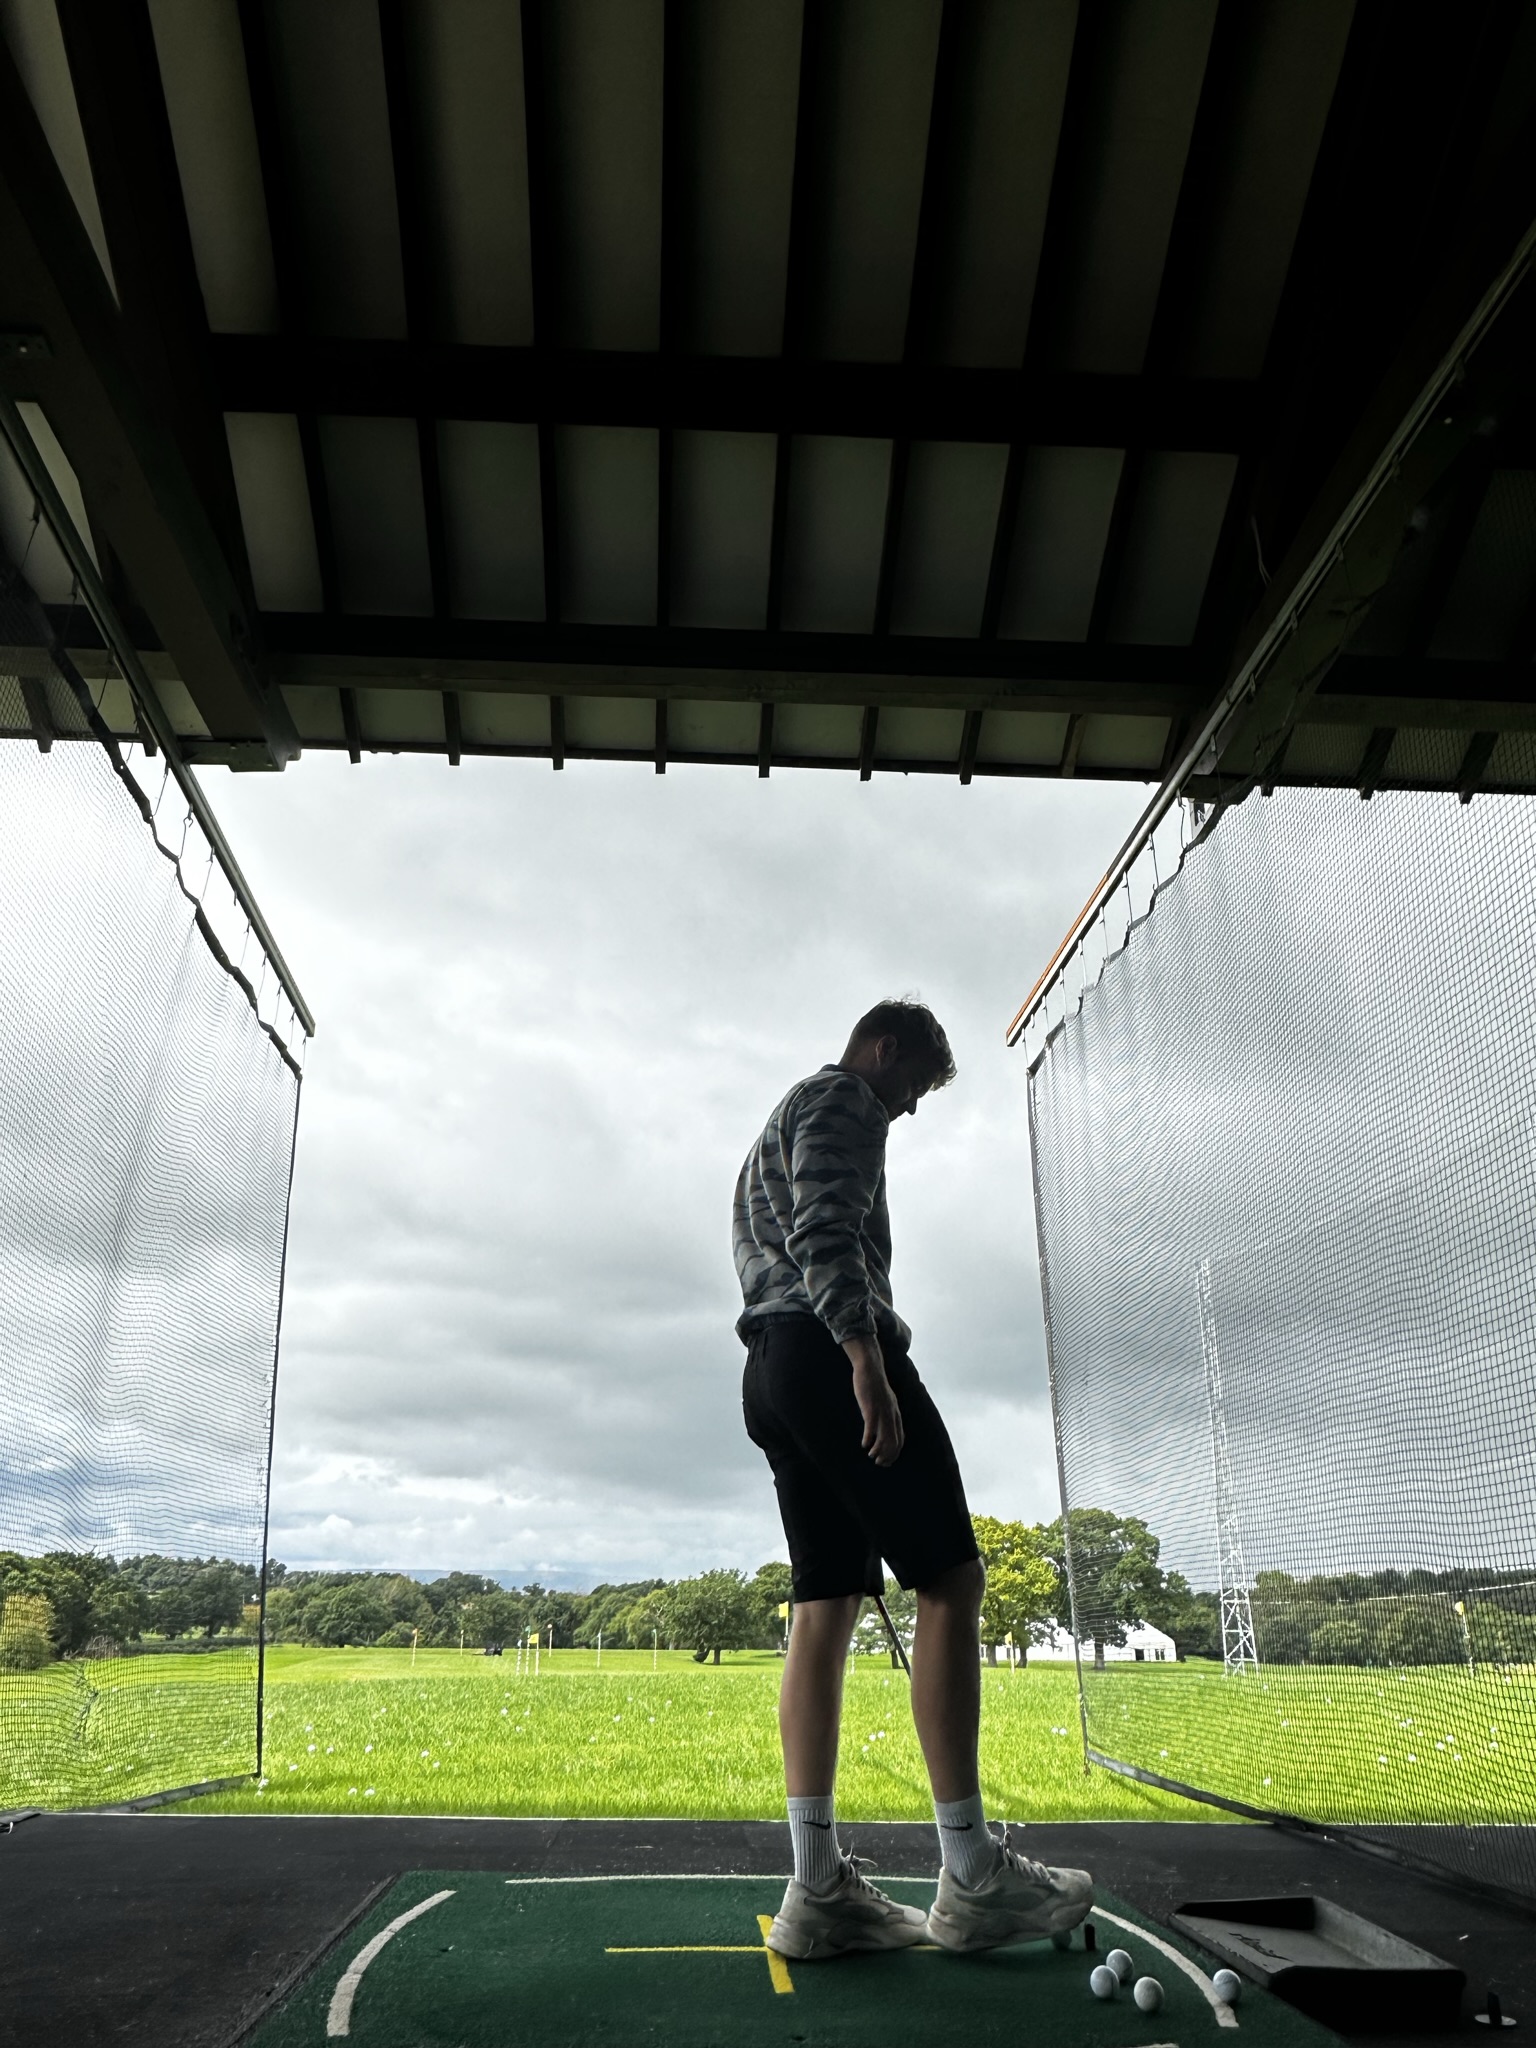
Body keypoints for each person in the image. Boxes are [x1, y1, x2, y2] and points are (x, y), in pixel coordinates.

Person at [733, 999, 1093, 1960]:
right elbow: (824, 1230)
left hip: (769, 1363)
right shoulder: (846, 1099)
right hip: (825, 1350)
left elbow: (787, 1238)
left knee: (826, 1606)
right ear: (884, 1050)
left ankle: (818, 1891)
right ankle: (972, 1874)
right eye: (918, 1085)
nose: (913, 1108)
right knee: (951, 1579)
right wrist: (863, 1358)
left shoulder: (788, 1112)